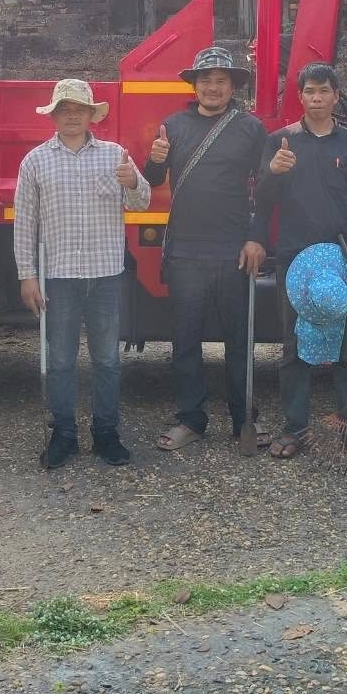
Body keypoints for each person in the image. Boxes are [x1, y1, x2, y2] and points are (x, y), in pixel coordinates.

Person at [14, 79, 150, 470]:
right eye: (63, 109)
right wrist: (28, 275)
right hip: (59, 277)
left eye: (79, 109)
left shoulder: (115, 156)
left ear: (92, 115)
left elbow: (140, 203)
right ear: (53, 116)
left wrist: (133, 182)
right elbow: (25, 224)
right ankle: (64, 435)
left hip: (107, 275)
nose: (71, 115)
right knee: (60, 360)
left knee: (107, 359)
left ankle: (106, 433)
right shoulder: (35, 161)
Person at [141, 46, 269, 452]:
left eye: (221, 80)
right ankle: (190, 419)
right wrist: (154, 159)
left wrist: (257, 237)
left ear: (232, 87)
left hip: (234, 248)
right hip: (184, 250)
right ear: (193, 85)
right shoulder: (173, 125)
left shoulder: (250, 129)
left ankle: (244, 416)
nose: (213, 87)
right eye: (206, 80)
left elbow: (265, 190)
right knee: (185, 339)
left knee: (238, 338)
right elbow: (152, 179)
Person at [254, 62, 347, 458]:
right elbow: (261, 202)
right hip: (294, 260)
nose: (316, 98)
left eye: (324, 91)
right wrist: (272, 173)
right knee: (294, 347)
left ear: (336, 95)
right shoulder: (281, 142)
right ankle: (295, 429)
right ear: (300, 95)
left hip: (342, 258)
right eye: (309, 91)